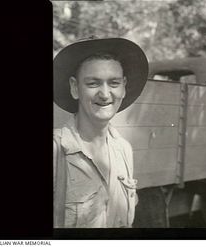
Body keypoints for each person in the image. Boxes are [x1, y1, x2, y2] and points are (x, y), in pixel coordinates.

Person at [53, 37, 148, 228]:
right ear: (74, 87)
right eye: (93, 83)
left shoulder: (123, 150)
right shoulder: (56, 150)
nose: (105, 94)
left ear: (123, 87)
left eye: (113, 83)